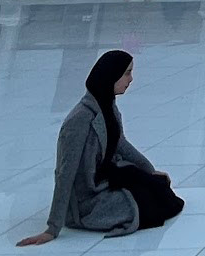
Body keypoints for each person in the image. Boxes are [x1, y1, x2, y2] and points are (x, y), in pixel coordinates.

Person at [15, 50, 183, 245]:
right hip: (88, 195)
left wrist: (150, 172)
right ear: (112, 75)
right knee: (143, 206)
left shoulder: (108, 108)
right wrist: (53, 228)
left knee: (160, 190)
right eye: (126, 73)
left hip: (108, 176)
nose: (131, 79)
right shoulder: (80, 119)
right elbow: (65, 172)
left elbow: (121, 145)